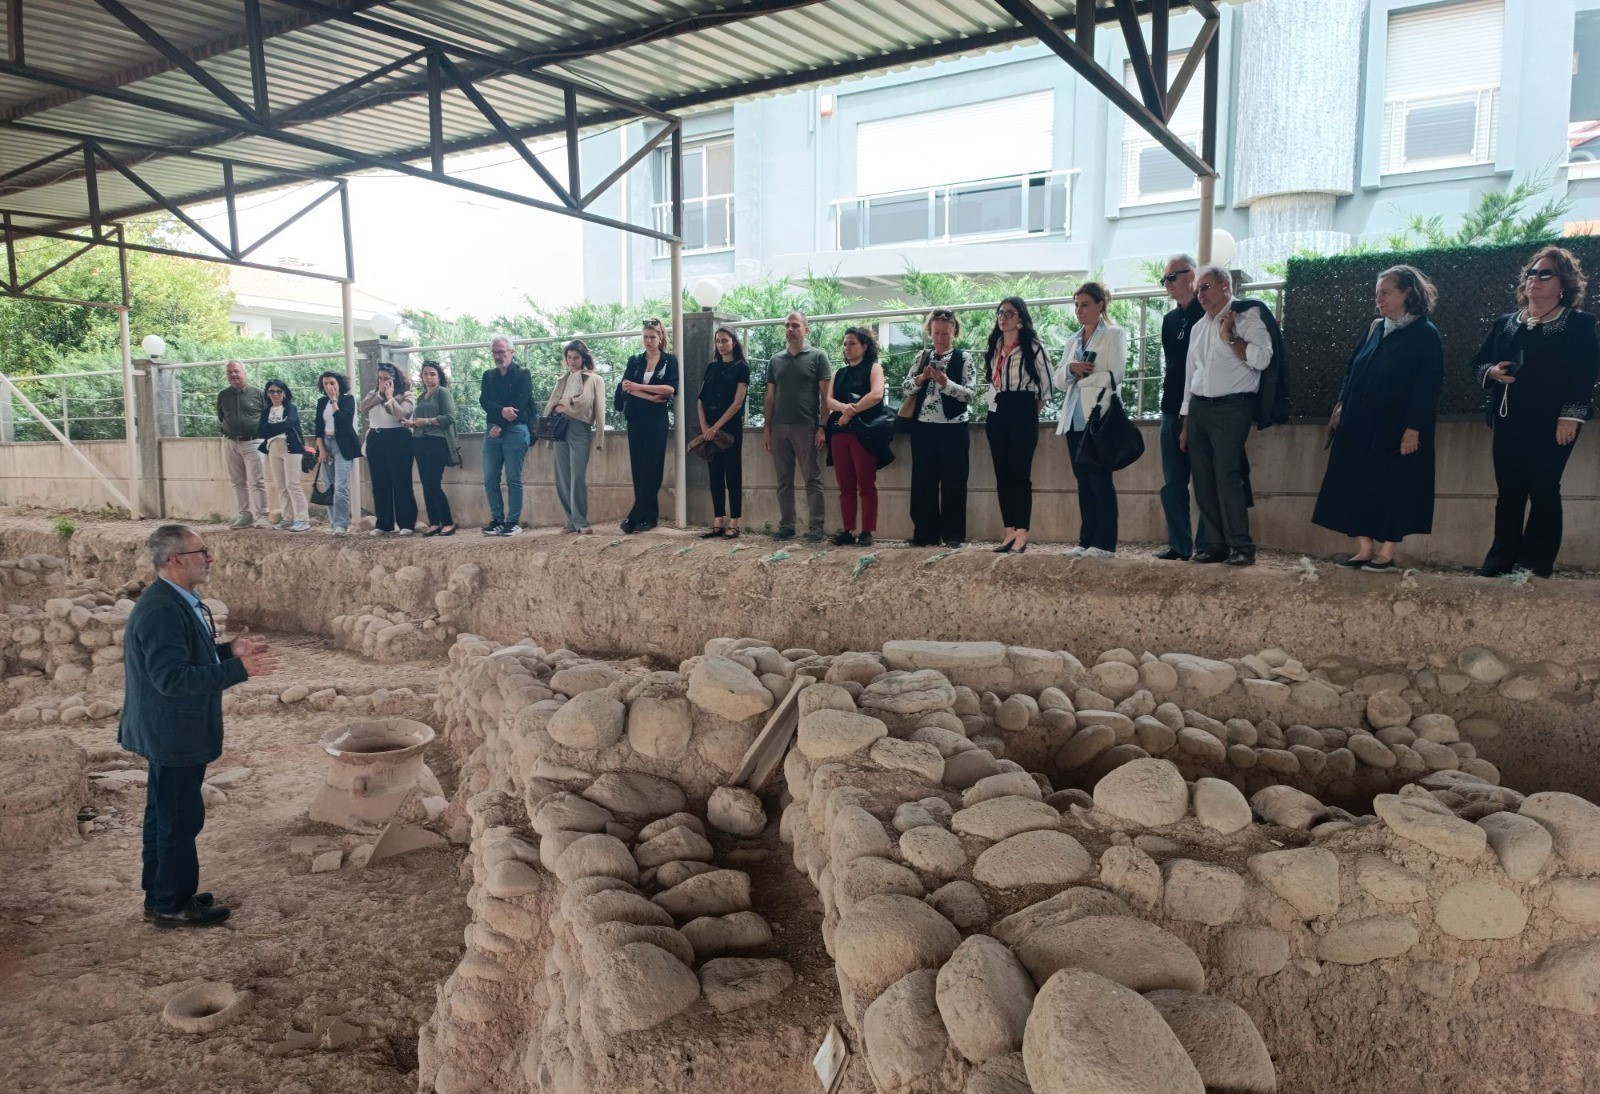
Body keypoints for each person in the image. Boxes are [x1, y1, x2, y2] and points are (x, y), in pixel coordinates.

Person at [119, 524, 277, 928]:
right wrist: (238, 668)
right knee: (178, 816)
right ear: (175, 560)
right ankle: (172, 903)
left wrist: (228, 651)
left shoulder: (175, 600)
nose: (209, 558)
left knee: (165, 812)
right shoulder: (161, 611)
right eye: (201, 552)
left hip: (171, 731)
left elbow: (190, 658)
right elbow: (171, 678)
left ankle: (162, 893)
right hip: (172, 733)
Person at [1470, 245, 1599, 577]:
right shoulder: (1505, 323)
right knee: (1509, 491)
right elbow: (1477, 363)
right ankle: (1500, 560)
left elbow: (1585, 374)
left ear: (1563, 284)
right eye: (1532, 273)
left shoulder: (1578, 324)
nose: (1535, 280)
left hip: (1554, 423)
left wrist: (1571, 415)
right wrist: (1492, 373)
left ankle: (1534, 563)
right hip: (1508, 419)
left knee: (1543, 488)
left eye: (1546, 274)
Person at [1312, 265, 1444, 572]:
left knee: (1393, 485)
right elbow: (1352, 369)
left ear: (1407, 293)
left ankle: (1386, 552)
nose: (1379, 299)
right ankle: (1364, 548)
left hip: (1395, 427)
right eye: (1377, 293)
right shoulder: (1375, 328)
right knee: (1356, 481)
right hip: (1358, 423)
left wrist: (1414, 429)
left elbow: (1428, 386)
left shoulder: (1425, 334)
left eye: (1385, 292)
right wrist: (1341, 404)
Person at [1180, 267, 1274, 566]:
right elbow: (1190, 376)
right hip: (1199, 408)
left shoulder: (1247, 316)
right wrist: (1185, 421)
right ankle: (1215, 544)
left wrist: (1231, 337)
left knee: (1227, 473)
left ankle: (1241, 546)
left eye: (1206, 287)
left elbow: (1262, 358)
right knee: (1203, 477)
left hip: (1232, 407)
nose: (1201, 295)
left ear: (1225, 285)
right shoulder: (1198, 327)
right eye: (1198, 290)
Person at [1054, 282, 1128, 557]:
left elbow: (1116, 375)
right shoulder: (1072, 340)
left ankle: (1105, 544)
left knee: (1099, 480)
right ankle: (1086, 540)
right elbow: (1059, 381)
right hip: (1073, 418)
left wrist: (1085, 378)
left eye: (1085, 304)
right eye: (1076, 305)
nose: (1079, 310)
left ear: (1100, 305)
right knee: (1082, 481)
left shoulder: (1114, 334)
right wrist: (1071, 370)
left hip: (1097, 417)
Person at [1154, 256, 1220, 560]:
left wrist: (1189, 414)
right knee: (1173, 483)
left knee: (1206, 480)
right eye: (1165, 280)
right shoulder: (1170, 320)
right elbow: (1174, 368)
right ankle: (1179, 545)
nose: (1167, 284)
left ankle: (1207, 544)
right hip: (1170, 408)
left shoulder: (1207, 315)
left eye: (1171, 277)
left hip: (1202, 408)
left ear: (1190, 277)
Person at [982, 296, 1054, 553]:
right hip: (998, 409)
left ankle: (1022, 532)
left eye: (1009, 313)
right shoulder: (995, 346)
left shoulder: (1033, 347)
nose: (1003, 317)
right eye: (1000, 312)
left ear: (1021, 319)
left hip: (1023, 408)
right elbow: (992, 383)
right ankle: (1009, 531)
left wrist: (1028, 414)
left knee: (1019, 473)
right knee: (1002, 473)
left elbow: (1046, 388)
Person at [902, 308, 974, 548]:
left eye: (945, 332)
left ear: (954, 331)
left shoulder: (964, 358)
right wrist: (921, 379)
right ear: (929, 332)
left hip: (954, 428)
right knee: (923, 482)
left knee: (955, 482)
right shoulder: (922, 356)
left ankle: (953, 535)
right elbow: (905, 386)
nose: (941, 337)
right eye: (936, 333)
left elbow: (969, 394)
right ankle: (925, 533)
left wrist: (945, 383)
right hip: (923, 428)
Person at [762, 311, 832, 542]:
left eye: (795, 325)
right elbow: (770, 397)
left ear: (806, 329)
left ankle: (816, 527)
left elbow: (826, 397)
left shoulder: (818, 356)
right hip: (780, 427)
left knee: (812, 478)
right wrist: (767, 428)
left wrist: (822, 427)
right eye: (787, 325)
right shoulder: (775, 360)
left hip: (806, 426)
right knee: (783, 481)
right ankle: (787, 525)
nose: (790, 329)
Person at [824, 326, 894, 546]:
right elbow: (829, 402)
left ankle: (867, 531)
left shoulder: (874, 367)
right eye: (845, 344)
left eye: (852, 343)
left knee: (866, 483)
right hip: (839, 433)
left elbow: (876, 395)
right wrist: (845, 410)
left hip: (864, 432)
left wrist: (850, 412)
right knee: (845, 485)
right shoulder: (839, 373)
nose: (847, 348)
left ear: (864, 346)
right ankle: (847, 530)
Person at [616, 318, 678, 533]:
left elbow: (670, 389)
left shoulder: (670, 361)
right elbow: (626, 387)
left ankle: (634, 517)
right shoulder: (635, 360)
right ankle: (649, 517)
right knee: (639, 468)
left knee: (653, 468)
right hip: (636, 418)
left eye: (652, 336)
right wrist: (650, 396)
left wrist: (639, 388)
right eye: (645, 336)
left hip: (656, 419)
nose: (648, 340)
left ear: (660, 337)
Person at [545, 338, 606, 534]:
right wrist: (559, 406)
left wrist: (566, 405)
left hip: (580, 428)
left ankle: (581, 521)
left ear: (583, 358)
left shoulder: (594, 379)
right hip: (560, 428)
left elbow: (590, 405)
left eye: (576, 357)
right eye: (569, 357)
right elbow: (552, 404)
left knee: (578, 476)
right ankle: (571, 521)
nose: (572, 361)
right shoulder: (562, 379)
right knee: (562, 477)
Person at [697, 326, 751, 538]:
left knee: (733, 473)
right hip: (709, 428)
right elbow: (700, 399)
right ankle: (718, 520)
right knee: (715, 474)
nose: (721, 345)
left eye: (725, 341)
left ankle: (734, 522)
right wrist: (704, 428)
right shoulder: (711, 367)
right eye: (718, 341)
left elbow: (737, 403)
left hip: (729, 428)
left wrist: (716, 428)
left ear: (734, 342)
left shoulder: (741, 367)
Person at [480, 335, 533, 536]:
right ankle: (497, 520)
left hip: (515, 430)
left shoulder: (522, 374)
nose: (498, 356)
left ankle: (513, 521)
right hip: (493, 429)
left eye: (502, 351)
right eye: (495, 352)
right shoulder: (488, 376)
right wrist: (501, 414)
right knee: (490, 478)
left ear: (511, 352)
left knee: (513, 478)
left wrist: (500, 422)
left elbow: (519, 403)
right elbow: (484, 401)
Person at [360, 362, 419, 536]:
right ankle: (383, 523)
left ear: (395, 379)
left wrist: (390, 397)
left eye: (387, 378)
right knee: (379, 483)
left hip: (398, 438)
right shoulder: (373, 394)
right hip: (376, 438)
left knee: (401, 482)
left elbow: (402, 415)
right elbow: (362, 407)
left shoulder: (406, 395)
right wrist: (379, 395)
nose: (383, 381)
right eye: (380, 378)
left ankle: (407, 523)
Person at [403, 360, 459, 536]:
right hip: (420, 441)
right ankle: (434, 522)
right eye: (425, 374)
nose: (428, 377)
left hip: (438, 441)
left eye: (432, 374)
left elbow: (449, 417)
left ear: (439, 376)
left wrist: (426, 421)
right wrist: (412, 423)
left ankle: (448, 522)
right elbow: (420, 421)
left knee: (433, 483)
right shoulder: (421, 397)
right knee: (425, 484)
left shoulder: (442, 393)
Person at [216, 360, 267, 530]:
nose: (233, 375)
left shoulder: (258, 394)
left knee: (257, 481)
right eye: (230, 372)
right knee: (238, 482)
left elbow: (267, 417)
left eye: (236, 371)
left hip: (254, 442)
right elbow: (221, 416)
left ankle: (262, 516)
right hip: (231, 443)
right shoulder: (223, 395)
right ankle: (245, 515)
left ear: (245, 373)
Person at [309, 371, 360, 537]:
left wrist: (333, 401)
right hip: (325, 443)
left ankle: (341, 524)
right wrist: (321, 449)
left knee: (341, 486)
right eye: (325, 384)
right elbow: (317, 427)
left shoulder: (348, 400)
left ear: (339, 384)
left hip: (342, 445)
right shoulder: (321, 402)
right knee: (328, 485)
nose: (329, 386)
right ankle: (332, 522)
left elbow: (344, 421)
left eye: (332, 383)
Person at [256, 379, 309, 532]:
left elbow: (289, 422)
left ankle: (302, 519)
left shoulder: (290, 408)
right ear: (268, 394)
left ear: (285, 393)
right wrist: (278, 427)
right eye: (272, 391)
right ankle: (287, 518)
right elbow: (261, 431)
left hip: (290, 448)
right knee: (280, 485)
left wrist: (271, 428)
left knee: (293, 484)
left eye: (279, 391)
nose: (276, 394)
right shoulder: (266, 411)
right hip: (273, 448)